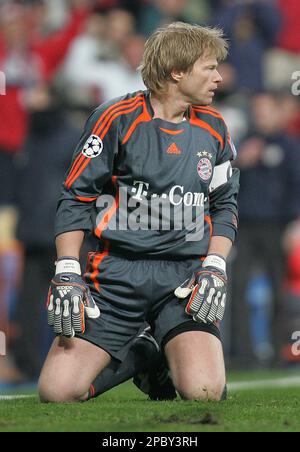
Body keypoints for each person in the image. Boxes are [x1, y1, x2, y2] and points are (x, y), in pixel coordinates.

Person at [38, 22, 239, 403]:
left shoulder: (215, 127)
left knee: (204, 392)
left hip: (183, 279)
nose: (219, 76)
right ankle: (145, 355)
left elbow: (225, 203)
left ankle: (164, 348)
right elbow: (76, 196)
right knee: (57, 393)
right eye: (209, 68)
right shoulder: (116, 118)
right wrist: (66, 268)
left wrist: (215, 264)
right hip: (116, 277)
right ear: (177, 72)